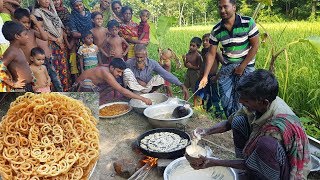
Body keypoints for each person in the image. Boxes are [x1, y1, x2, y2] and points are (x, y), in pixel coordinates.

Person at [186, 69, 311, 179]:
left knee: (266, 145)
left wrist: (213, 162)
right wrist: (206, 131)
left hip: (285, 169)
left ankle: (259, 175)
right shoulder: (257, 104)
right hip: (262, 156)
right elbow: (229, 123)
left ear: (264, 102)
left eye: (245, 100)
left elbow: (260, 156)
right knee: (238, 120)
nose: (240, 101)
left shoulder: (277, 126)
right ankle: (248, 171)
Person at [199, 0, 259, 118]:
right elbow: (211, 54)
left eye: (225, 7)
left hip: (246, 66)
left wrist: (242, 66)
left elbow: (255, 45)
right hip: (227, 66)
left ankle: (244, 124)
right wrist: (205, 76)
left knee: (244, 99)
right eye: (220, 8)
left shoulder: (247, 22)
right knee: (225, 99)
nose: (222, 10)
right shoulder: (216, 30)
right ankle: (233, 123)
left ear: (234, 7)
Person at [124, 44, 189, 100]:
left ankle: (149, 93)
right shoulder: (129, 63)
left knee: (161, 77)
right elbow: (123, 76)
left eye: (141, 57)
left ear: (146, 55)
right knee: (126, 72)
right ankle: (134, 95)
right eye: (137, 57)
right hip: (135, 88)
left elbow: (165, 74)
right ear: (134, 55)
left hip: (148, 87)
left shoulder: (152, 63)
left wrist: (181, 85)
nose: (139, 59)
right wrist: (137, 80)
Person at [76, 58, 152, 105]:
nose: (120, 74)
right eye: (118, 71)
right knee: (88, 84)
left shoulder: (108, 68)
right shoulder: (106, 73)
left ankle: (94, 99)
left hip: (89, 87)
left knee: (111, 86)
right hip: (78, 88)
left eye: (121, 72)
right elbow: (122, 90)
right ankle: (85, 102)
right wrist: (143, 99)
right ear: (112, 68)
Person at [33, 0, 70, 91]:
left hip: (60, 42)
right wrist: (56, 39)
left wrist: (60, 38)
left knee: (63, 68)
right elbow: (40, 29)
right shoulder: (37, 12)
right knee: (54, 69)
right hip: (50, 44)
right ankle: (56, 91)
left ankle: (65, 90)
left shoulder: (52, 10)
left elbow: (59, 26)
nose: (47, 1)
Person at [0, 21, 33, 92]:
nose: (27, 37)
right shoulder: (11, 52)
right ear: (17, 36)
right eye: (25, 34)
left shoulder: (18, 49)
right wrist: (13, 84)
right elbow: (0, 68)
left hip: (28, 86)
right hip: (21, 89)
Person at [34, 16, 63, 92]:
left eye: (42, 26)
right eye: (37, 26)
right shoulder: (35, 35)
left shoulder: (45, 34)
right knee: (45, 79)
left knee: (55, 78)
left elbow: (48, 44)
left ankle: (59, 92)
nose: (40, 28)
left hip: (49, 59)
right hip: (41, 61)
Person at [201, 33, 223, 117]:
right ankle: (208, 108)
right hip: (205, 77)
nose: (205, 42)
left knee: (215, 94)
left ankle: (218, 112)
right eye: (203, 41)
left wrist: (217, 76)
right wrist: (201, 74)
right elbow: (204, 63)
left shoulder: (216, 52)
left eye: (207, 40)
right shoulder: (204, 51)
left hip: (213, 76)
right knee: (206, 93)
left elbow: (224, 64)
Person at [183, 37, 202, 107]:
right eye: (190, 45)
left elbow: (200, 67)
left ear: (198, 47)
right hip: (189, 73)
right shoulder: (188, 54)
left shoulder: (198, 56)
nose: (191, 47)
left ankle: (196, 105)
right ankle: (185, 101)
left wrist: (192, 67)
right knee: (185, 87)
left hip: (195, 74)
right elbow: (186, 65)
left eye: (193, 46)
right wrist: (184, 60)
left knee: (195, 90)